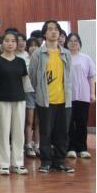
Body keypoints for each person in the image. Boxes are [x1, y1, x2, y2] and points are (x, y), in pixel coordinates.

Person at [29, 20, 74, 173]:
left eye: (56, 29)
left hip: (64, 100)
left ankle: (60, 161)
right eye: (50, 29)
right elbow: (33, 77)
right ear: (45, 33)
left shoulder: (66, 53)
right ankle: (46, 162)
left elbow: (69, 75)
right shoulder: (38, 54)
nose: (53, 32)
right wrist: (41, 91)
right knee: (46, 132)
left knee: (62, 132)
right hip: (45, 100)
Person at [0, 32, 29, 175]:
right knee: (3, 131)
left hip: (19, 99)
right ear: (2, 44)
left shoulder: (21, 61)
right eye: (7, 41)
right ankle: (3, 164)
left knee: (19, 131)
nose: (10, 43)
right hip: (2, 99)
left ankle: (18, 163)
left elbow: (25, 82)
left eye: (13, 41)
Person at [65, 33, 96, 159]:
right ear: (67, 43)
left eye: (76, 41)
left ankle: (82, 148)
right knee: (69, 122)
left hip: (83, 95)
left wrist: (92, 93)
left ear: (79, 43)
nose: (73, 43)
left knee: (82, 122)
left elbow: (91, 77)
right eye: (71, 41)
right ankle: (71, 148)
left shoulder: (86, 58)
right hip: (68, 96)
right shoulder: (64, 57)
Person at [24, 37, 41, 158]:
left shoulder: (43, 59)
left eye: (36, 45)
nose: (33, 48)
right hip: (29, 92)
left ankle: (37, 145)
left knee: (38, 121)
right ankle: (28, 144)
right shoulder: (24, 60)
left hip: (40, 93)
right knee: (29, 121)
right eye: (31, 45)